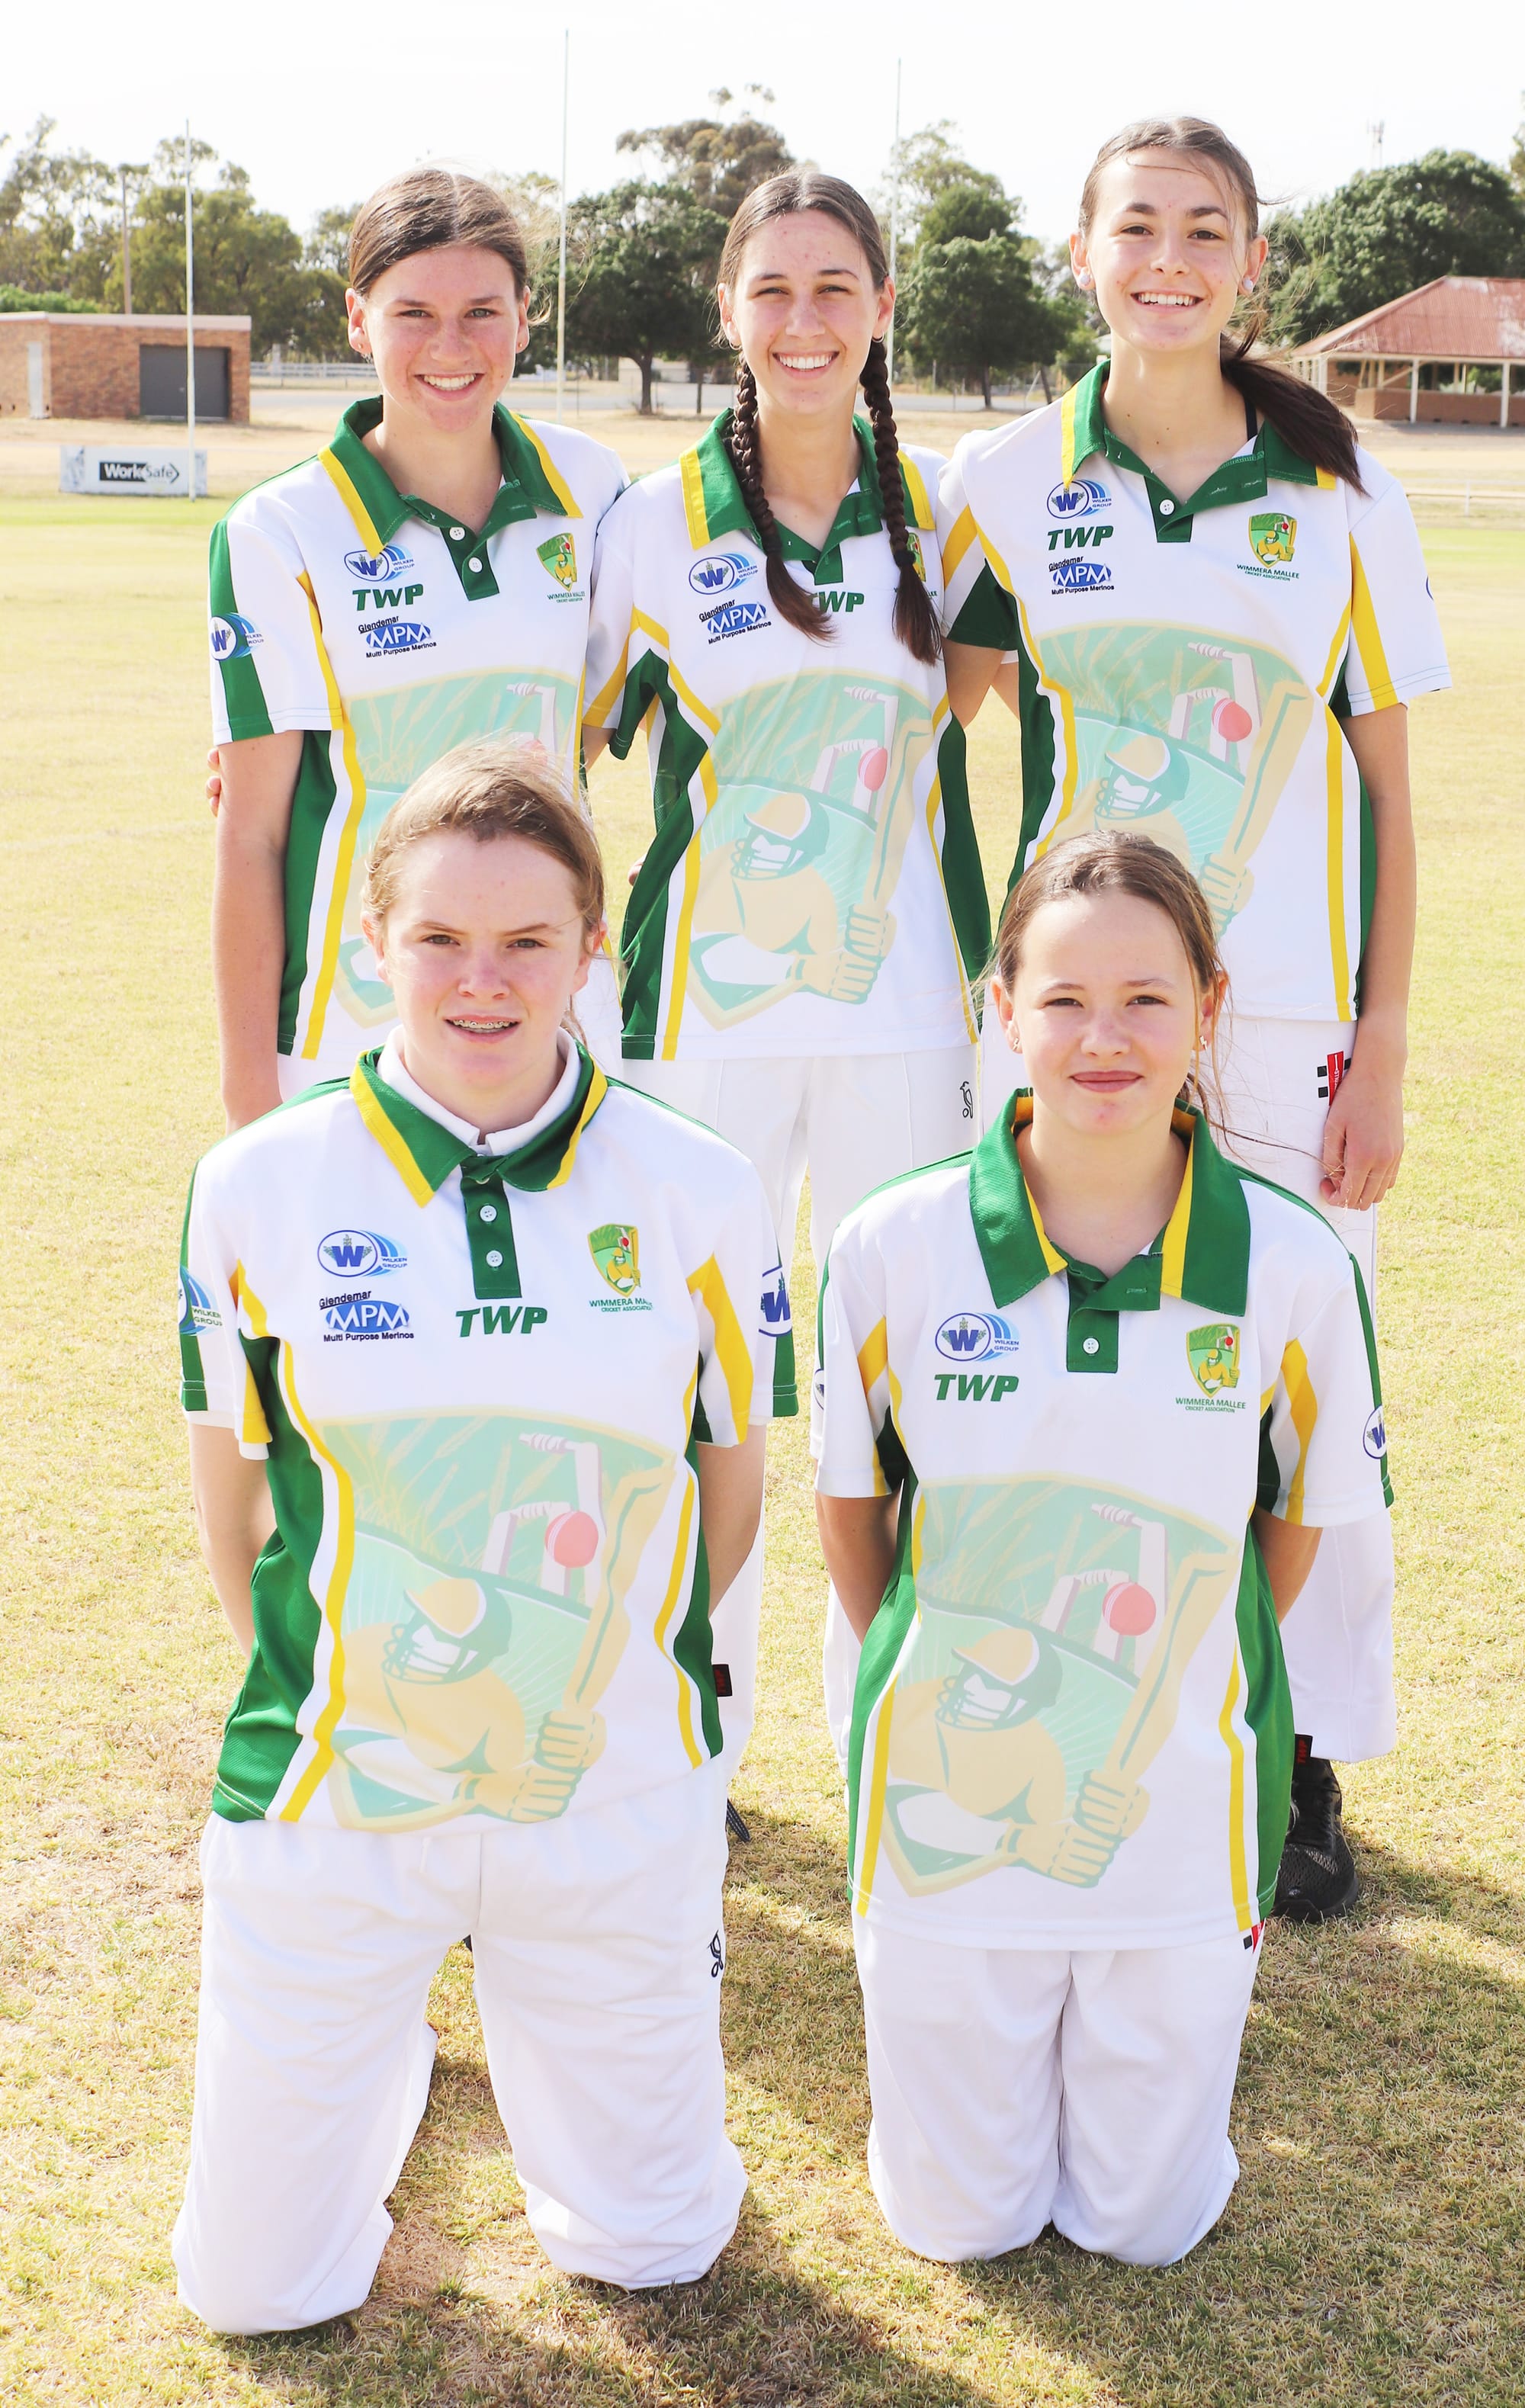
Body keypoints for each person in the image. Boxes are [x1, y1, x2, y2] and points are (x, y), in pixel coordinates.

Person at [173, 743, 794, 2331]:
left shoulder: (702, 1189)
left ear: (599, 948)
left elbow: (727, 1493)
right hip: (337, 1788)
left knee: (650, 2248)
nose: (482, 979)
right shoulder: (257, 1187)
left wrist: (589, 1692)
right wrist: (378, 1699)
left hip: (611, 1786)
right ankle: (361, 2063)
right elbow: (232, 1503)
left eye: (529, 940)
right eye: (440, 937)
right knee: (253, 2294)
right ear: (372, 942)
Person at [936, 117, 1449, 1918]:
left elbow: (1391, 794)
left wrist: (1379, 1043)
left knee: (1298, 1387)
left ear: (1250, 263)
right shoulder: (999, 482)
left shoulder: (1338, 489)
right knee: (1077, 1372)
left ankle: (1298, 1760)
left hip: (1285, 1017)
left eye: (1202, 232)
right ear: (1081, 252)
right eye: (1134, 227)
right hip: (1078, 1014)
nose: (1166, 259)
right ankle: (1094, 1728)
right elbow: (893, 702)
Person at [813, 831, 1391, 2267]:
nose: (1104, 1037)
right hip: (951, 1805)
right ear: (1000, 1005)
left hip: (1183, 1806)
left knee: (1143, 2224)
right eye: (1064, 999)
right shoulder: (892, 1246)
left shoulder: (1297, 1264)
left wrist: (1184, 1677)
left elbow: (1289, 1530)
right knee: (963, 2223)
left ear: (1212, 1003)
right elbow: (850, 1510)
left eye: (1147, 996)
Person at [582, 169, 989, 1761]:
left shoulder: (947, 503)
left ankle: (892, 1728)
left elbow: (993, 701)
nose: (805, 321)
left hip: (902, 1011)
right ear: (729, 311)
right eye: (774, 290)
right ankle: (700, 1732)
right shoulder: (650, 520)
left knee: (902, 1374)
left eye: (837, 289)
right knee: (701, 1379)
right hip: (702, 1021)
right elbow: (558, 740)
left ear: (883, 308)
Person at [207, 166, 624, 1130]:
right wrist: (246, 1093)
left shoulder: (591, 483)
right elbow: (252, 832)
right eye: (413, 313)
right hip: (350, 1023)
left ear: (526, 316)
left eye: (482, 310)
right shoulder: (279, 530)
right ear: (358, 320)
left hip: (552, 1010)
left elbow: (596, 716)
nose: (450, 346)